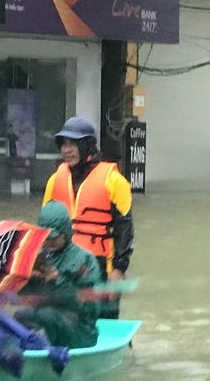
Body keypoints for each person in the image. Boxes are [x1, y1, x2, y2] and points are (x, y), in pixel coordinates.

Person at [42, 116, 133, 314]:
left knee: (103, 320)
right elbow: (44, 229)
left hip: (102, 266)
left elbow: (125, 231)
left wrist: (118, 270)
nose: (67, 150)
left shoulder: (114, 181)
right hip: (65, 266)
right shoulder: (54, 180)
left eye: (73, 144)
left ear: (88, 146)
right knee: (67, 317)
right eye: (64, 144)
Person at [13, 201, 102, 348]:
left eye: (54, 236)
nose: (49, 241)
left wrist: (58, 281)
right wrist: (27, 279)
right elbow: (24, 298)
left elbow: (90, 309)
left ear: (65, 231)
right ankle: (28, 350)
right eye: (45, 237)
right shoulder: (39, 256)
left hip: (81, 330)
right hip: (50, 321)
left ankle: (42, 353)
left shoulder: (85, 260)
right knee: (22, 315)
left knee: (46, 315)